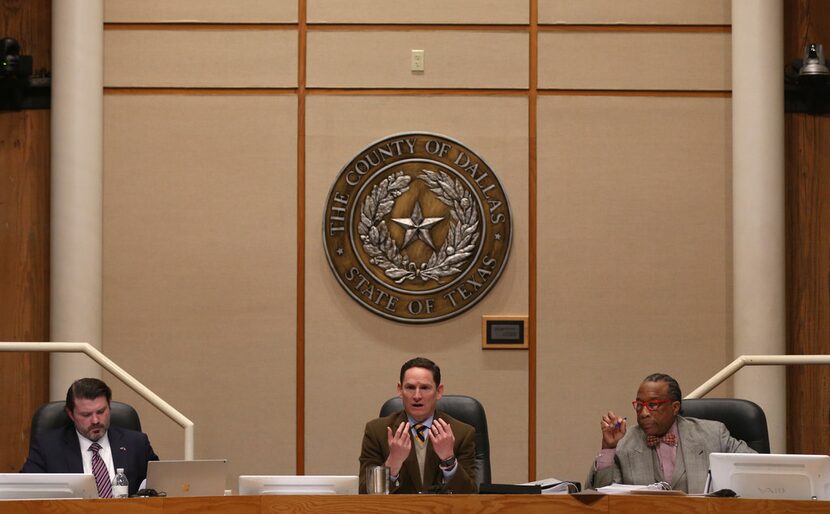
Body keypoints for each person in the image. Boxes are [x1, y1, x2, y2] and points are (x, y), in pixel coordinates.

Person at [586, 373, 755, 493]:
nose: (643, 412)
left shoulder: (713, 434)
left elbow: (756, 469)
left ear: (675, 407)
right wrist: (608, 448)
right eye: (639, 405)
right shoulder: (623, 442)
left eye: (653, 405)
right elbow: (600, 498)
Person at [21, 378, 159, 497]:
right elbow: (25, 491)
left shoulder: (136, 443)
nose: (95, 420)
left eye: (101, 412)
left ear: (109, 407)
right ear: (70, 414)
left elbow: (160, 487)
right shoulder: (48, 447)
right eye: (86, 415)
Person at [358, 357, 477, 494]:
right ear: (399, 390)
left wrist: (448, 459)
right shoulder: (377, 431)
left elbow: (471, 495)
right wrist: (393, 462)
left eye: (425, 388)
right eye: (410, 387)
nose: (417, 396)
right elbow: (365, 494)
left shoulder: (461, 433)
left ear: (439, 391)